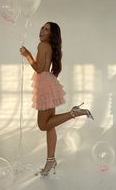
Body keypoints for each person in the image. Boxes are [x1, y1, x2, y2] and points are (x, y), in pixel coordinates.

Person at [20, 22, 94, 176]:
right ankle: (50, 160)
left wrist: (27, 55)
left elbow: (39, 68)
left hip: (44, 84)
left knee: (42, 125)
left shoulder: (42, 46)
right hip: (48, 82)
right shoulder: (48, 46)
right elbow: (45, 68)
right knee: (50, 125)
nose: (42, 30)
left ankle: (75, 113)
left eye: (46, 29)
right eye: (42, 27)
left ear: (51, 34)